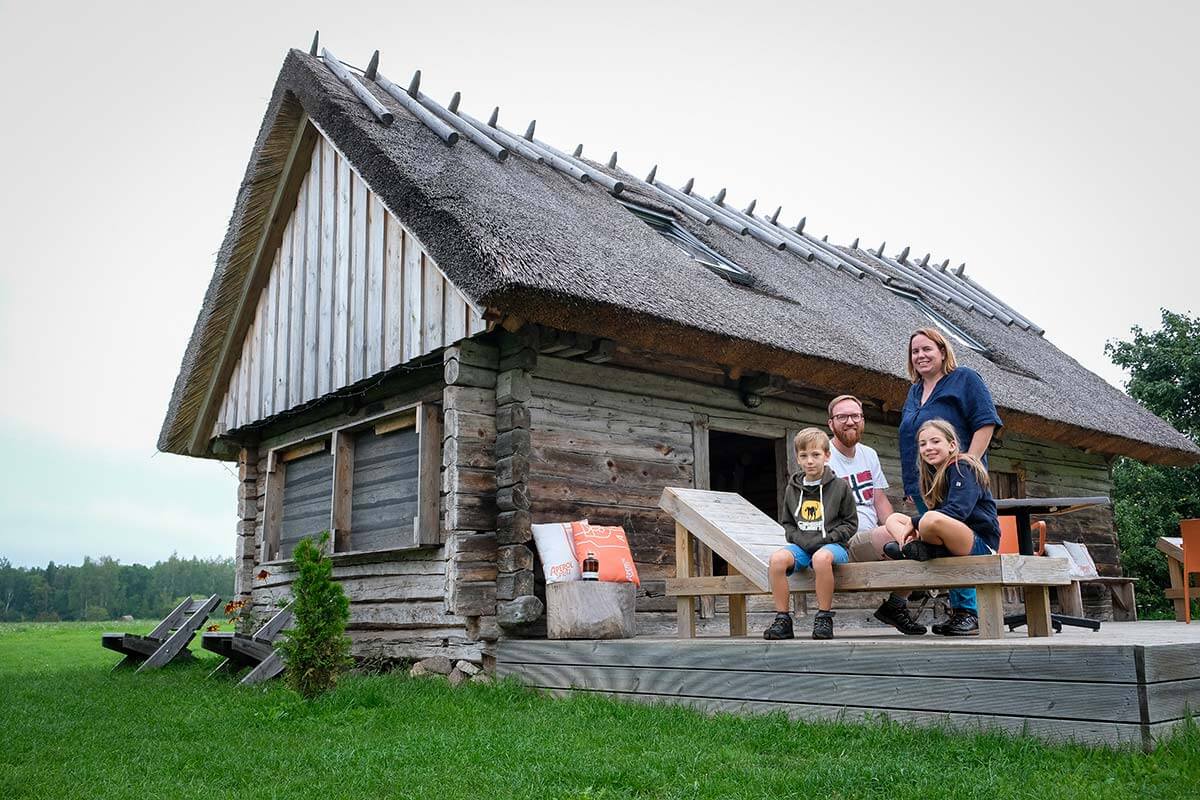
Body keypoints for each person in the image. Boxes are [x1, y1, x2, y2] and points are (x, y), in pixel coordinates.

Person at [896, 328, 1002, 636]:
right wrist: (909, 486)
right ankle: (957, 612)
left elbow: (985, 422)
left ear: (943, 351)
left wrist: (966, 462)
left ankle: (968, 610)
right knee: (932, 539)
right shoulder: (914, 392)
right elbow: (910, 440)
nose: (921, 356)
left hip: (956, 478)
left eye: (927, 349)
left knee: (956, 534)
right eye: (915, 352)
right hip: (922, 484)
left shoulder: (965, 379)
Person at [828, 395, 926, 635]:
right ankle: (897, 605)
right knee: (909, 539)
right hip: (844, 542)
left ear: (863, 420)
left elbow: (879, 500)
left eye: (855, 416)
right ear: (830, 423)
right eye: (842, 417)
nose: (849, 421)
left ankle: (895, 605)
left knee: (923, 536)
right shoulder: (822, 455)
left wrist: (897, 526)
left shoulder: (868, 454)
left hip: (871, 537)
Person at [763, 428, 858, 640]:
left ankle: (824, 617)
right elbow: (788, 523)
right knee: (777, 559)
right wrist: (799, 540)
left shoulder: (840, 487)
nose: (810, 461)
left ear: (827, 456)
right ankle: (783, 619)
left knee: (821, 558)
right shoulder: (792, 489)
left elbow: (851, 524)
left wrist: (829, 539)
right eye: (804, 456)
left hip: (834, 547)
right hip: (802, 547)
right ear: (797, 458)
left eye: (815, 455)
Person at [884, 419, 1000, 577]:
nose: (928, 448)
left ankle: (919, 549)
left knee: (929, 519)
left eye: (935, 441)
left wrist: (915, 521)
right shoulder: (935, 475)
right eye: (923, 444)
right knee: (893, 519)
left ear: (952, 445)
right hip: (950, 540)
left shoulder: (963, 467)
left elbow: (959, 511)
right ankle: (911, 548)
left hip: (979, 543)